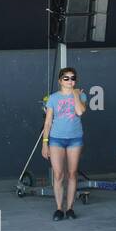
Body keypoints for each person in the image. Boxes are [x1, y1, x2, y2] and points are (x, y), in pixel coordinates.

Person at [42, 67, 87, 221]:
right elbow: (47, 122)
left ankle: (70, 208)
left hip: (75, 138)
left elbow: (80, 112)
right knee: (59, 174)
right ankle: (59, 208)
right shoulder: (53, 98)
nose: (70, 81)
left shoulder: (81, 95)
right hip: (56, 138)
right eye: (66, 78)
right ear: (60, 81)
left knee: (72, 173)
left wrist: (75, 94)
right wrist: (45, 143)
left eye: (72, 78)